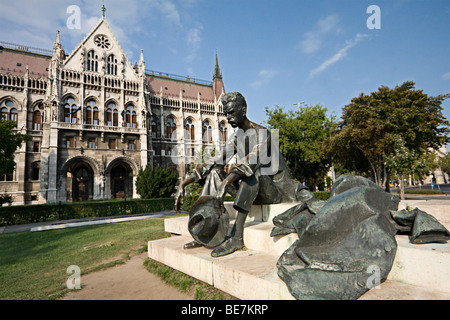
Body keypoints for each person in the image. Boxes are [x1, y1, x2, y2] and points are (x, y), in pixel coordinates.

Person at [175, 92, 312, 257]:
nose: (229, 118)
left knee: (255, 172)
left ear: (244, 110)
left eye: (232, 113)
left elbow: (251, 161)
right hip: (254, 192)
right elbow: (216, 160)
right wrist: (185, 182)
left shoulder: (263, 134)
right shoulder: (236, 138)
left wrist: (227, 182)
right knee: (214, 172)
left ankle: (237, 237)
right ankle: (205, 229)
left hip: (275, 191)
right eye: (226, 114)